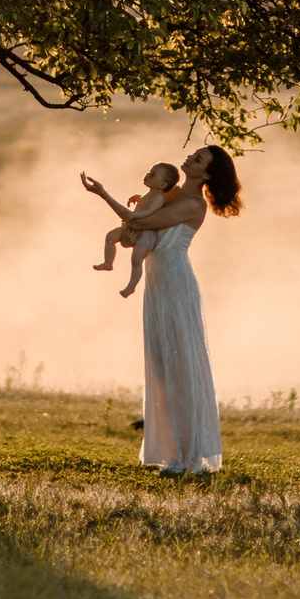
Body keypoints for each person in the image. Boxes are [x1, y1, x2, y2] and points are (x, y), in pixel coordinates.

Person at [81, 144, 242, 475]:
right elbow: (140, 218)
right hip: (159, 283)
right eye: (194, 154)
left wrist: (102, 193)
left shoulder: (194, 204)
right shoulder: (171, 195)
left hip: (175, 284)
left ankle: (187, 454)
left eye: (198, 160)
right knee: (161, 362)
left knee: (179, 363)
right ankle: (169, 451)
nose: (189, 158)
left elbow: (137, 221)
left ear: (206, 174)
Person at [94, 161, 181, 297]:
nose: (148, 175)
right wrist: (139, 198)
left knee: (136, 259)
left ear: (163, 185)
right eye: (149, 171)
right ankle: (108, 262)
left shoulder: (158, 197)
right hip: (131, 227)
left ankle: (131, 286)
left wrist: (134, 215)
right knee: (111, 236)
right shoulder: (150, 193)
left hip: (145, 233)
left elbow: (149, 211)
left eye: (153, 174)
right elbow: (146, 203)